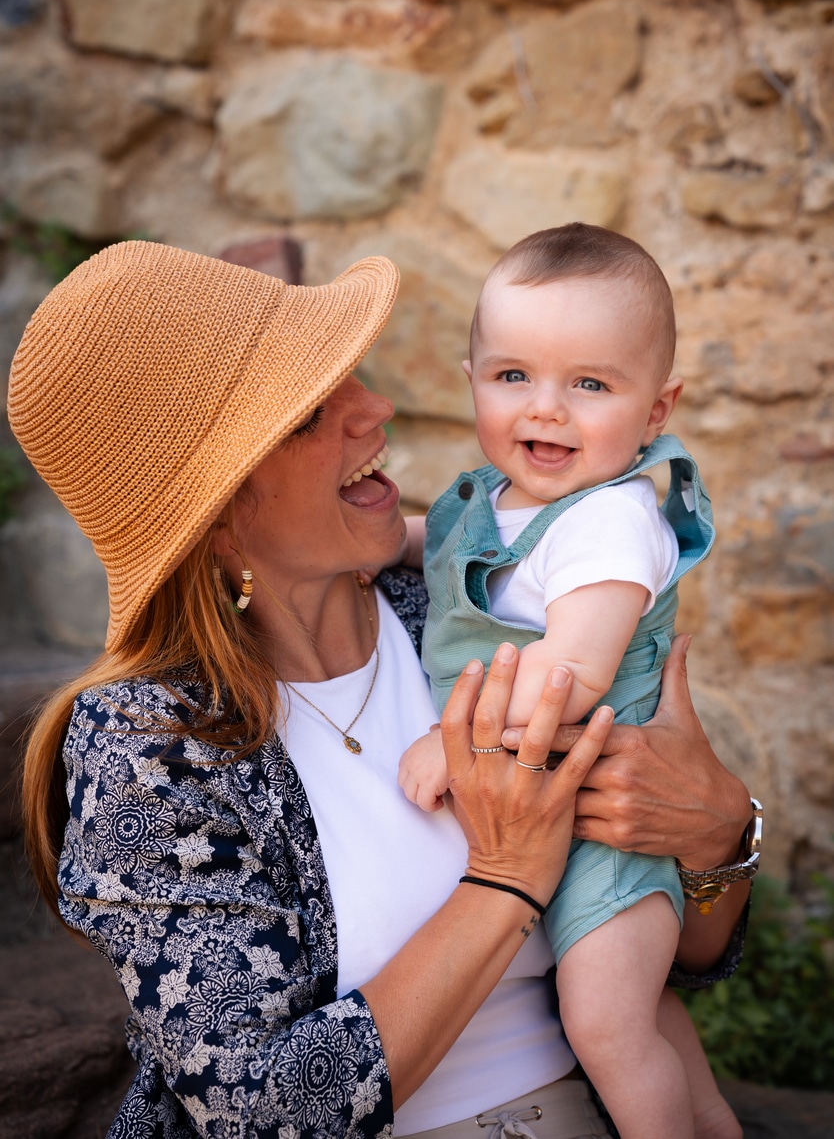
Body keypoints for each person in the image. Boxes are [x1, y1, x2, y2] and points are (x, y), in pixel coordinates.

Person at [8, 238, 758, 1139]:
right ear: (212, 518)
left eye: (349, 376)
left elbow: (685, 955)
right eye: (307, 413)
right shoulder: (150, 747)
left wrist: (720, 839)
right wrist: (505, 880)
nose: (374, 410)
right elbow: (262, 1112)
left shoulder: (460, 610)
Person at [398, 225, 752, 1139]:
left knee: (606, 1022)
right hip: (551, 812)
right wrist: (390, 545)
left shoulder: (611, 521)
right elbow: (450, 554)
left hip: (605, 831)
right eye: (513, 376)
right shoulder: (501, 498)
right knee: (644, 1016)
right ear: (470, 373)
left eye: (590, 384)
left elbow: (574, 669)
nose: (545, 410)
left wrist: (453, 740)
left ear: (657, 408)